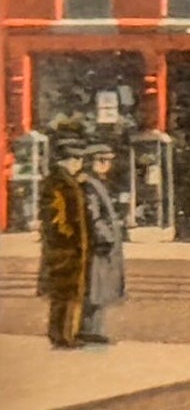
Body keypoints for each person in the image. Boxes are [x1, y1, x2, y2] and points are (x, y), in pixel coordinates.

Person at [37, 140, 91, 349]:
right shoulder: (62, 183)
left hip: (66, 247)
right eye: (78, 160)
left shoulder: (63, 180)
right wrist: (69, 239)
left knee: (64, 294)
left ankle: (61, 333)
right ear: (71, 160)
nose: (80, 164)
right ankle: (64, 335)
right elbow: (57, 218)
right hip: (66, 248)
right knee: (66, 293)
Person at [77, 143, 126, 344]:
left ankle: (94, 329)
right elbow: (93, 215)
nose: (106, 165)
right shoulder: (90, 185)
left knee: (98, 287)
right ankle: (90, 330)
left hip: (100, 244)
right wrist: (106, 237)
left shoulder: (95, 183)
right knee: (95, 287)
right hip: (98, 246)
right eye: (102, 160)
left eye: (107, 160)